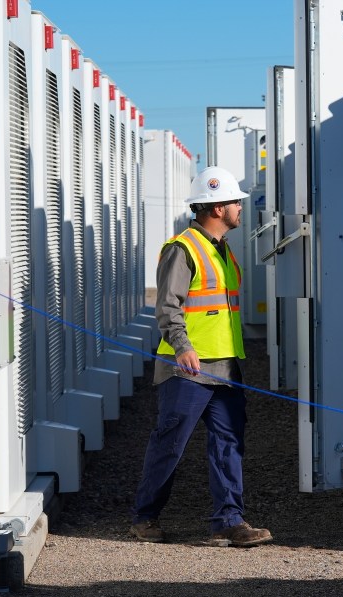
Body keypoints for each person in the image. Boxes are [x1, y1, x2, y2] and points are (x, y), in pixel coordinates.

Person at [130, 166, 273, 548]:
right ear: (216, 208)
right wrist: (183, 347)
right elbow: (168, 306)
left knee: (228, 443)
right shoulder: (183, 248)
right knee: (170, 443)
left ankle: (229, 521)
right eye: (234, 203)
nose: (240, 209)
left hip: (225, 367)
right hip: (187, 369)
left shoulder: (222, 250)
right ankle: (145, 519)